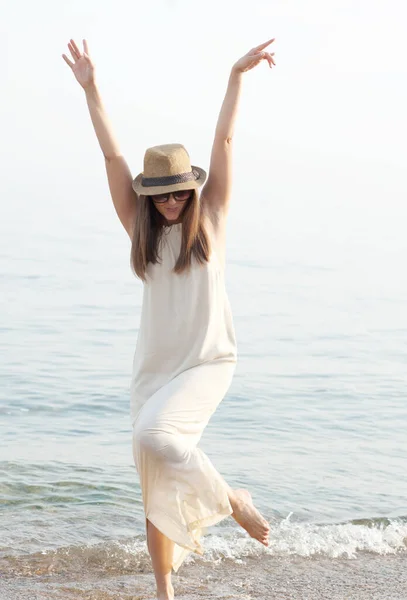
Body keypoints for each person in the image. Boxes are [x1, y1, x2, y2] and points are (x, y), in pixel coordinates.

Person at [62, 37, 276, 600]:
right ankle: (164, 591)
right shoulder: (141, 228)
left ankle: (234, 500)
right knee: (153, 477)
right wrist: (91, 90)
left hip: (207, 361)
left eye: (177, 193)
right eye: (159, 195)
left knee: (157, 438)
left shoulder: (213, 221)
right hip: (153, 371)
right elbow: (112, 158)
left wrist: (236, 75)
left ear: (191, 187)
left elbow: (225, 138)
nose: (169, 203)